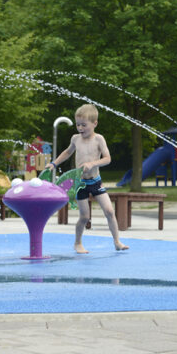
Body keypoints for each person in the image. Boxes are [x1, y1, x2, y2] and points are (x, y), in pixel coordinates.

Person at [45, 104, 129, 253]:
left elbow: (107, 158)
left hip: (95, 182)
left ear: (94, 123)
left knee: (109, 211)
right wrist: (54, 163)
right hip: (80, 184)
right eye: (78, 124)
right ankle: (78, 243)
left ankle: (117, 241)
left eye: (84, 125)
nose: (80, 128)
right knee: (84, 217)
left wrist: (92, 163)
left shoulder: (99, 139)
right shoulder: (75, 139)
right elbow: (67, 152)